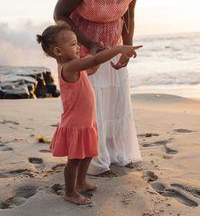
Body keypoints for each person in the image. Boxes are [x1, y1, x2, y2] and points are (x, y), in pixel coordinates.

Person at [53, 0, 151, 176]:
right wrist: (88, 44)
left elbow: (128, 13)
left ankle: (116, 153)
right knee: (91, 106)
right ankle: (94, 161)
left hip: (113, 45)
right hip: (84, 47)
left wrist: (127, 48)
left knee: (116, 103)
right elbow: (59, 13)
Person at [36, 22, 142, 205]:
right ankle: (70, 191)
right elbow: (92, 61)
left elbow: (92, 68)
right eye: (73, 44)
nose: (78, 47)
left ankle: (82, 182)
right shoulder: (68, 68)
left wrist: (100, 55)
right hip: (76, 123)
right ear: (58, 51)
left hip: (86, 122)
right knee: (75, 160)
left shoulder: (75, 66)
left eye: (77, 43)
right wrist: (118, 49)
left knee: (88, 154)